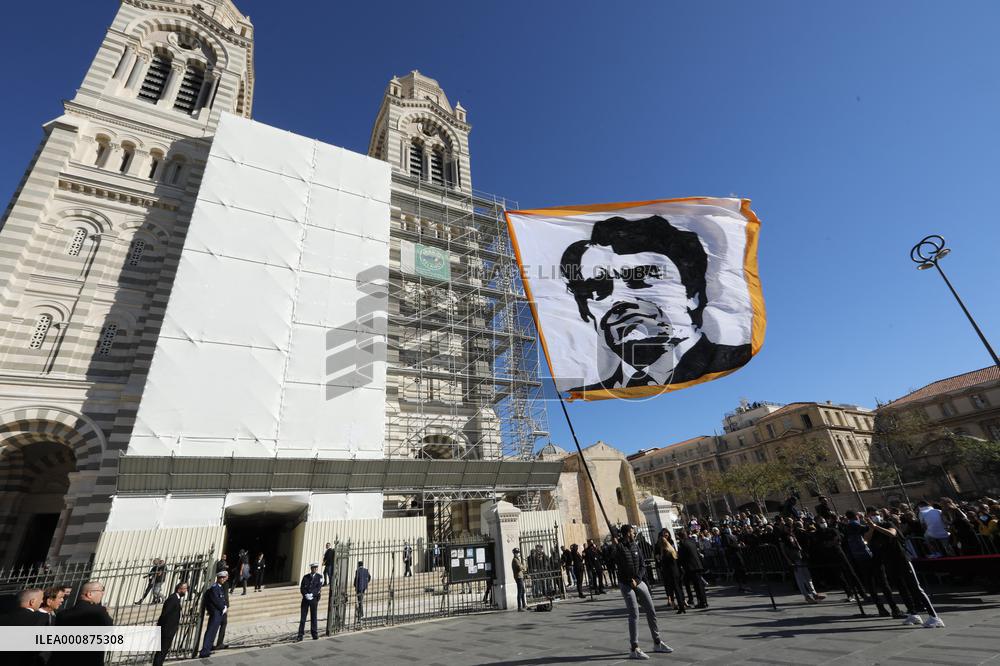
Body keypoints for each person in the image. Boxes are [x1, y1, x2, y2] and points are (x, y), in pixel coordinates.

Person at [559, 215, 752, 394]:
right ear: (584, 310)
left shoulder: (732, 360)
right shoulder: (596, 390)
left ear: (692, 296)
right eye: (596, 288)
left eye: (641, 279)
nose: (618, 300)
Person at [865, 507, 944, 628]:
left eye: (876, 514)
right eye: (872, 515)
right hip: (889, 561)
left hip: (901, 559)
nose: (875, 517)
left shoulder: (887, 523)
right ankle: (913, 613)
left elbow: (892, 533)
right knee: (901, 588)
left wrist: (876, 526)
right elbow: (866, 539)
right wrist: (872, 527)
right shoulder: (871, 529)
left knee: (915, 587)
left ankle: (934, 617)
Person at [614, 525, 673, 660]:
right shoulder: (619, 548)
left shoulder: (636, 546)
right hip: (626, 584)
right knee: (634, 614)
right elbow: (619, 565)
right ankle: (634, 648)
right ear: (627, 533)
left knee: (651, 610)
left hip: (639, 581)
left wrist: (637, 579)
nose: (634, 534)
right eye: (632, 532)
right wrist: (614, 547)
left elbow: (642, 565)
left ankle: (657, 642)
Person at [51, 581, 113, 666]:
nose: (103, 594)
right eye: (101, 591)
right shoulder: (98, 611)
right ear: (89, 594)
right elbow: (109, 627)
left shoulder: (62, 614)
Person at [1, 589, 48, 666]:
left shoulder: (3, 617)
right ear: (32, 602)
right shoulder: (41, 618)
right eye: (41, 599)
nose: (42, 601)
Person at [778, 527, 825, 604]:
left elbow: (798, 547)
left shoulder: (793, 536)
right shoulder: (782, 539)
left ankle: (814, 594)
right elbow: (783, 551)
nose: (790, 529)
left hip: (801, 557)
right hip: (794, 559)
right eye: (787, 527)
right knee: (800, 578)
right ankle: (807, 596)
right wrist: (788, 560)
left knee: (808, 576)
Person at [153, 582, 188, 666]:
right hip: (167, 629)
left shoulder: (176, 598)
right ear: (179, 589)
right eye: (185, 589)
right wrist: (164, 627)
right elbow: (165, 614)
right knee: (162, 650)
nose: (186, 591)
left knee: (164, 650)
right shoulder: (173, 599)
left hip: (170, 629)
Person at [198, 571, 229, 658]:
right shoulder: (214, 588)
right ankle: (204, 651)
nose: (223, 579)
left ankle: (208, 648)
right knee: (211, 631)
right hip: (216, 613)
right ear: (218, 578)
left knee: (213, 632)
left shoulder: (220, 587)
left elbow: (222, 599)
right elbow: (216, 600)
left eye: (224, 578)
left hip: (219, 613)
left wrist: (225, 606)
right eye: (222, 578)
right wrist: (223, 608)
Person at [654, 529, 685, 612]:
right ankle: (681, 604)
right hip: (675, 571)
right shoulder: (671, 550)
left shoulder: (666, 552)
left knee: (675, 589)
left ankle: (681, 606)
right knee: (677, 588)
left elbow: (665, 562)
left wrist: (660, 559)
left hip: (671, 572)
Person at [677, 530, 708, 608]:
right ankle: (703, 601)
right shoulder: (691, 541)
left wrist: (679, 565)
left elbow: (681, 557)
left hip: (691, 567)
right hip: (697, 565)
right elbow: (697, 553)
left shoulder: (682, 544)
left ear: (680, 537)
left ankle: (702, 602)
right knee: (699, 585)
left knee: (697, 586)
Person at [297, 563, 322, 641]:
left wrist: (312, 594)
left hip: (313, 599)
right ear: (311, 568)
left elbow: (318, 587)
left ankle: (314, 634)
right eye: (313, 568)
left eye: (316, 567)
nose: (315, 569)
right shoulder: (306, 577)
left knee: (314, 617)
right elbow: (302, 588)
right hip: (305, 599)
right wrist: (305, 594)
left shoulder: (319, 577)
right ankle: (300, 635)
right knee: (303, 618)